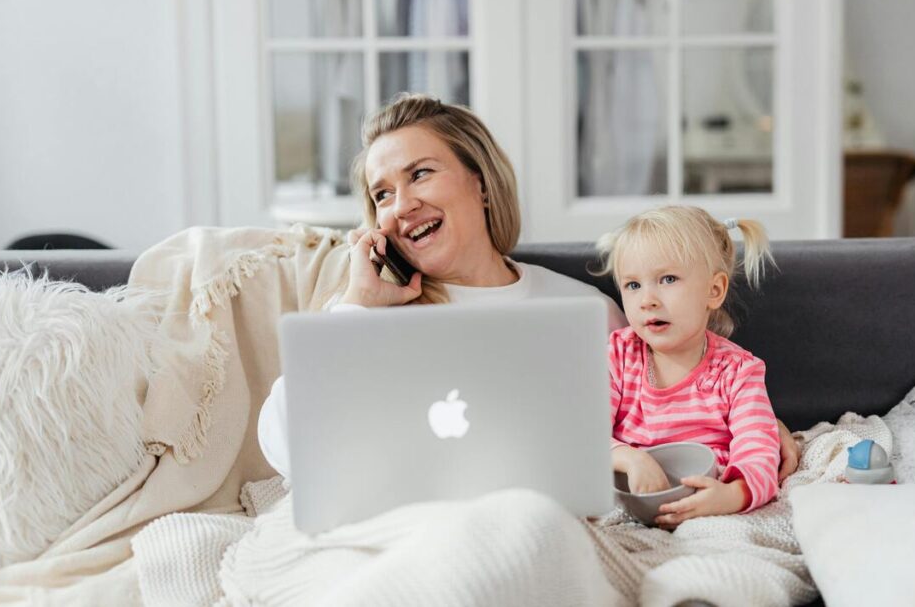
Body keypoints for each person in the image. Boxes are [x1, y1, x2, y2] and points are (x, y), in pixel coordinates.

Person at [257, 93, 801, 483]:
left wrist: (752, 425)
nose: (400, 205)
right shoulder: (365, 314)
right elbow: (285, 447)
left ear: (481, 182)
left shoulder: (586, 311)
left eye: (420, 174)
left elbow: (663, 407)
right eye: (381, 195)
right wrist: (359, 308)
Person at [598, 206, 782, 528]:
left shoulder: (738, 371)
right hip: (629, 509)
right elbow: (583, 434)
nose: (647, 300)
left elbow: (761, 451)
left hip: (708, 510)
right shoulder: (617, 356)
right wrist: (630, 458)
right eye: (632, 285)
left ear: (714, 291)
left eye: (667, 279)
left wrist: (731, 496)